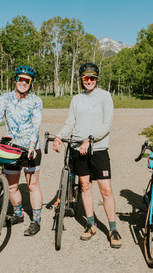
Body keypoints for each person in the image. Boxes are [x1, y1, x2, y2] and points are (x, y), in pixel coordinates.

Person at [52, 62, 121, 249]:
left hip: (97, 149)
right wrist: (59, 136)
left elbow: (107, 124)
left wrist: (90, 139)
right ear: (81, 80)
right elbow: (70, 123)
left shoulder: (105, 96)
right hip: (77, 148)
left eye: (92, 77)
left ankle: (113, 228)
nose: (89, 81)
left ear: (97, 79)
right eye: (85, 78)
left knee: (106, 189)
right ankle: (91, 224)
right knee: (84, 185)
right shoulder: (76, 99)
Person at [0, 65, 43, 236]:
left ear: (31, 83)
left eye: (27, 80)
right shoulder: (5, 98)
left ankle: (36, 220)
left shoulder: (35, 101)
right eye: (20, 79)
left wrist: (32, 144)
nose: (23, 83)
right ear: (15, 80)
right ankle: (18, 215)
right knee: (12, 187)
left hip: (31, 148)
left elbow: (36, 124)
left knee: (32, 186)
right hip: (11, 147)